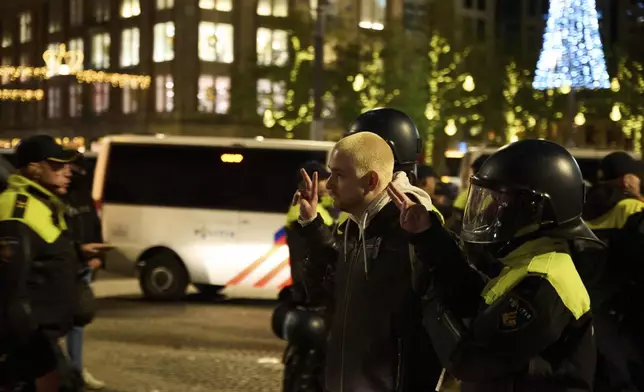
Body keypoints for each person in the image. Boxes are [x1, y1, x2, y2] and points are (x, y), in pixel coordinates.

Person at [388, 139, 598, 391]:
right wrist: (428, 235)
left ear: (532, 208)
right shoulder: (527, 260)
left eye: (499, 201)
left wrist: (430, 300)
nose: (488, 210)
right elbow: (476, 298)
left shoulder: (545, 282)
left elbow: (471, 360)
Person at [294, 130, 440, 392]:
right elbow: (325, 294)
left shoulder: (405, 233)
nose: (328, 185)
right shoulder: (354, 226)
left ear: (371, 181)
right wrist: (311, 224)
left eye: (339, 175)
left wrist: (430, 237)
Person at [0, 135, 104, 391]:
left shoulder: (43, 203)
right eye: (58, 165)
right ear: (33, 168)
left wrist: (77, 255)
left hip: (43, 337)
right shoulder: (18, 209)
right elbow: (10, 286)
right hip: (30, 340)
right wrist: (31, 345)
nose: (68, 171)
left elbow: (40, 255)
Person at [581, 151, 644, 391]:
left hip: (587, 302)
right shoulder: (631, 208)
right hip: (618, 304)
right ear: (628, 180)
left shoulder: (584, 204)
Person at [64, 155, 106, 390]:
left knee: (78, 322)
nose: (73, 172)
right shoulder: (58, 195)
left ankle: (76, 370)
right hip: (66, 264)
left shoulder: (83, 195)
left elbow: (93, 223)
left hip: (84, 265)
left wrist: (98, 254)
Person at [447, 155, 487, 234]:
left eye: (476, 172)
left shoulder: (484, 193)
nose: (475, 176)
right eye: (475, 172)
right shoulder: (472, 192)